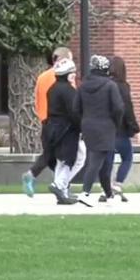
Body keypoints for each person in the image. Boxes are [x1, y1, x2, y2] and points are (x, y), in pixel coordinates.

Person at [74, 55, 124, 207]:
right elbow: (118, 108)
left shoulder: (83, 85)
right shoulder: (110, 86)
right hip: (106, 126)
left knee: (103, 161)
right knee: (96, 161)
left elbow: (75, 108)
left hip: (88, 125)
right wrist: (116, 123)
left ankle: (109, 195)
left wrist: (83, 121)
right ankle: (86, 192)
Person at [22, 47, 72, 197]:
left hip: (46, 121)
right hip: (60, 123)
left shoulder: (42, 77)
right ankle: (60, 186)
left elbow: (37, 99)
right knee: (65, 157)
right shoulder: (62, 77)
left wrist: (42, 117)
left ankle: (60, 186)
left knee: (51, 156)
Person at [44, 58, 83, 205]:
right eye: (73, 72)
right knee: (75, 159)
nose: (74, 74)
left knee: (62, 160)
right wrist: (81, 127)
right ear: (69, 74)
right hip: (67, 130)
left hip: (53, 128)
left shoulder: (52, 89)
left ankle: (62, 192)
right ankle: (60, 185)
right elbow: (74, 113)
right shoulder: (69, 91)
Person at [108, 56, 140, 202]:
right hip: (120, 128)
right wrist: (136, 129)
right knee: (127, 157)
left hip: (106, 128)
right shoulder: (122, 86)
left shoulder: (105, 84)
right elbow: (128, 108)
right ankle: (117, 184)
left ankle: (107, 188)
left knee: (108, 159)